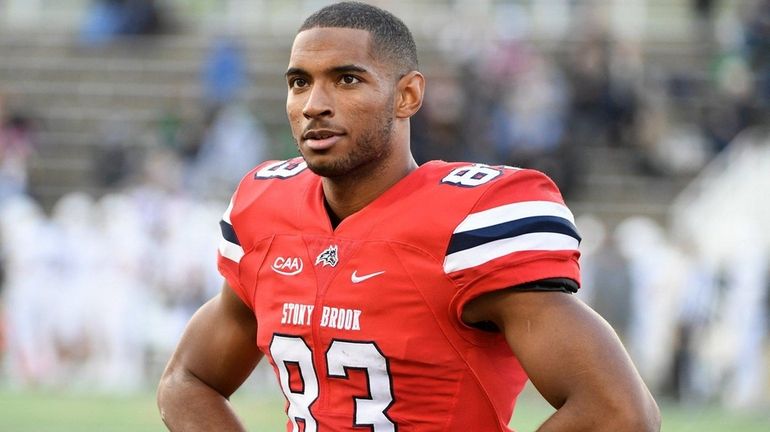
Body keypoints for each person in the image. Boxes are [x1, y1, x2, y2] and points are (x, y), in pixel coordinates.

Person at [157, 2, 660, 431]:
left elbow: (619, 411)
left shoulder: (471, 221)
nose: (314, 104)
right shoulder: (265, 209)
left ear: (408, 95)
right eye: (299, 82)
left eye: (346, 79)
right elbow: (186, 380)